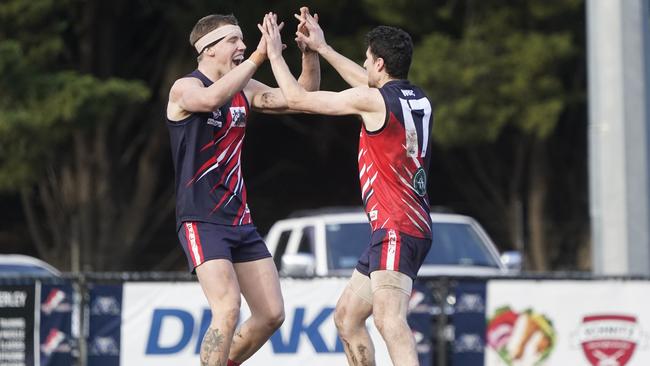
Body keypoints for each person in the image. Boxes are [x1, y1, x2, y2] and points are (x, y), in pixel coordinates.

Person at [260, 12, 433, 366]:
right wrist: (321, 48)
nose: (364, 64)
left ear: (380, 63)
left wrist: (275, 54)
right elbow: (368, 85)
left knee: (389, 319)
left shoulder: (374, 102)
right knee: (347, 318)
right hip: (402, 227)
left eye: (368, 59)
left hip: (396, 227)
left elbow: (298, 100)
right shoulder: (415, 97)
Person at [165, 9, 320, 366]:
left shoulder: (245, 89)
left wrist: (309, 52)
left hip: (240, 219)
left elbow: (302, 96)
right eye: (233, 40)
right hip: (201, 219)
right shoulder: (186, 88)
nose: (243, 45)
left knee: (271, 314)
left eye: (243, 40)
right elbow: (209, 101)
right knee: (227, 307)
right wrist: (258, 57)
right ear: (208, 49)